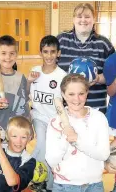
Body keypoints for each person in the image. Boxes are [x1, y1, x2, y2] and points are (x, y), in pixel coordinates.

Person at [45, 74, 110, 192]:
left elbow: (103, 154)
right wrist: (65, 138)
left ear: (87, 93)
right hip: (64, 186)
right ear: (63, 95)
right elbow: (52, 161)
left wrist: (77, 140)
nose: (77, 99)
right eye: (71, 94)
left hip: (94, 185)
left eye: (81, 93)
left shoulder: (99, 118)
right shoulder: (55, 122)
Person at [57, 3, 115, 114]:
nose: (83, 20)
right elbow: (51, 69)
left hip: (96, 109)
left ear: (94, 19)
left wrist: (98, 78)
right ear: (73, 19)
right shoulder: (61, 40)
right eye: (79, 16)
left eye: (87, 17)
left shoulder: (104, 44)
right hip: (67, 109)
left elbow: (113, 76)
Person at [27, 35, 67, 192]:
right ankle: (35, 177)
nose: (49, 56)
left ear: (58, 53)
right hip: (38, 118)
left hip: (55, 121)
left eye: (52, 52)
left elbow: (66, 101)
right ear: (40, 53)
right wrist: (29, 81)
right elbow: (24, 94)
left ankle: (45, 182)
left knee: (51, 153)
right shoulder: (35, 72)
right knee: (43, 146)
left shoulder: (62, 75)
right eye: (45, 52)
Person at [0, 35, 30, 130]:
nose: (8, 57)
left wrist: (28, 124)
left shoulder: (21, 77)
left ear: (16, 55)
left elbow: (24, 103)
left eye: (12, 53)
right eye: (3, 53)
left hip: (19, 128)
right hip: (1, 126)